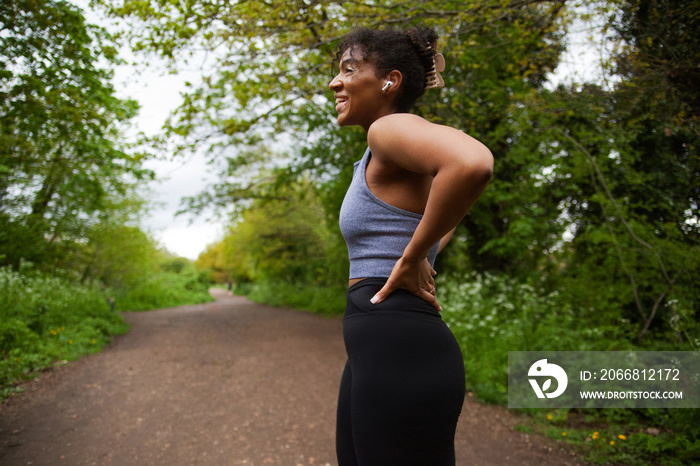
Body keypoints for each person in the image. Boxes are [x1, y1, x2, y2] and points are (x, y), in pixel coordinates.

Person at [329, 27, 494, 465]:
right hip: (381, 344)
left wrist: (414, 255)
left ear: (390, 80)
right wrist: (421, 244)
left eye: (349, 69)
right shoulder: (387, 148)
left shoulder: (388, 129)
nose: (334, 82)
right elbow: (441, 214)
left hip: (400, 345)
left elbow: (473, 163)